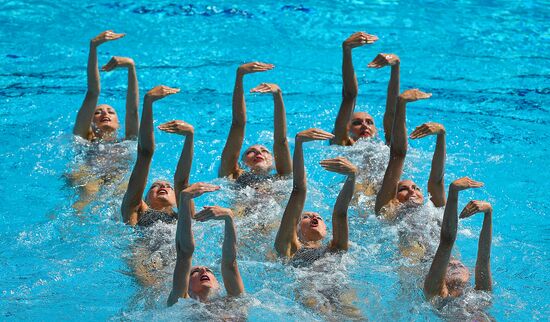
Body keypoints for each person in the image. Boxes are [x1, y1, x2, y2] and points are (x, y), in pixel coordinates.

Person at [274, 128, 357, 264]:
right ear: (296, 228)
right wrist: (299, 144)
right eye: (305, 217)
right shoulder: (289, 248)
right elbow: (298, 190)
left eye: (319, 217)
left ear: (326, 230)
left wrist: (352, 176)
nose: (314, 217)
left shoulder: (336, 249)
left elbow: (340, 213)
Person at [121, 85, 191, 227]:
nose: (163, 186)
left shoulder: (185, 216)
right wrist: (148, 103)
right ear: (144, 198)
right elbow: (144, 154)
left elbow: (181, 182)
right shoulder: (135, 212)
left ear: (176, 198)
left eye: (168, 186)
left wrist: (190, 136)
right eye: (154, 186)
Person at [375, 89, 447, 219]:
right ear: (393, 197)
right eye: (403, 189)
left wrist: (441, 135)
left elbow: (437, 181)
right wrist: (401, 104)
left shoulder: (435, 213)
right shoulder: (387, 213)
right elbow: (397, 155)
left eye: (416, 188)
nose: (412, 191)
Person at [167, 182, 244, 305]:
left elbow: (230, 264)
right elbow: (184, 254)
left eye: (209, 271)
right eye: (195, 272)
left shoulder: (234, 301)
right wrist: (185, 198)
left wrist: (229, 217)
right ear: (185, 284)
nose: (203, 270)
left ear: (219, 285)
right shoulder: (179, 303)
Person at [218, 63, 292, 184]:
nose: (258, 152)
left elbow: (281, 141)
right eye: (250, 152)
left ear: (274, 160)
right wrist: (239, 76)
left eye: (264, 151)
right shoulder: (232, 176)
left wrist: (278, 95)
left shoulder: (282, 178)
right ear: (241, 162)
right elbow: (238, 124)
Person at [424, 177, 492, 299]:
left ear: (470, 273)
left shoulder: (479, 294)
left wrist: (488, 212)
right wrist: (453, 193)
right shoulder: (437, 294)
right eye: (450, 265)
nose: (456, 266)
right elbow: (446, 242)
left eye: (460, 265)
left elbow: (483, 258)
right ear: (442, 275)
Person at [331, 32, 400, 146]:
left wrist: (396, 66)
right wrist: (347, 50)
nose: (365, 125)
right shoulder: (342, 144)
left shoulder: (387, 147)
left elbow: (392, 113)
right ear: (346, 130)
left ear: (377, 131)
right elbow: (349, 96)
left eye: (370, 123)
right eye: (357, 123)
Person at [73, 30, 139, 142]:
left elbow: (133, 111)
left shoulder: (128, 141)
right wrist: (93, 47)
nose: (104, 113)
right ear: (90, 122)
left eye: (111, 112)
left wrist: (131, 67)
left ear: (119, 124)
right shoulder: (84, 139)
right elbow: (92, 93)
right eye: (97, 112)